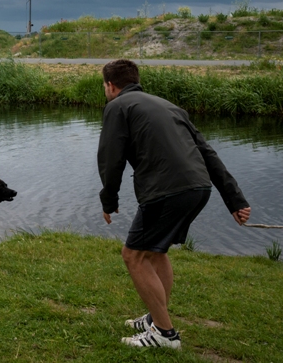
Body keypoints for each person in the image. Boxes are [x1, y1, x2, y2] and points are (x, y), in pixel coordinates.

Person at [97, 59, 251, 349]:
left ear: (110, 85)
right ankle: (157, 319)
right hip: (198, 187)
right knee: (155, 252)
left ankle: (165, 335)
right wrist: (235, 199)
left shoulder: (117, 107)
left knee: (134, 256)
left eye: (104, 86)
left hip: (166, 190)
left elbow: (111, 157)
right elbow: (207, 153)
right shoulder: (168, 106)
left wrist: (109, 200)